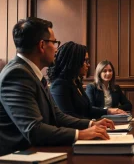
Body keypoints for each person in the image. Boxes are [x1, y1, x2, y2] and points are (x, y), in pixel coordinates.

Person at [0, 17, 114, 156]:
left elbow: (57, 116)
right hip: (21, 155)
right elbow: (34, 130)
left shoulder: (31, 73)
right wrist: (81, 134)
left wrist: (90, 125)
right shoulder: (17, 74)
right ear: (42, 45)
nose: (56, 49)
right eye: (54, 43)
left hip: (39, 151)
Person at [48, 42, 127, 120]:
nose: (88, 65)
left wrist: (108, 111)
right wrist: (92, 124)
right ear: (75, 62)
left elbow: (88, 110)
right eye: (85, 61)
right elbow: (68, 118)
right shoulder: (59, 86)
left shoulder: (76, 82)